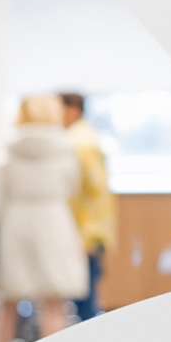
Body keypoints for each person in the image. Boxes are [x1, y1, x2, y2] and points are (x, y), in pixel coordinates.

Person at [0, 94, 88, 342]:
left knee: (8, 303)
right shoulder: (66, 148)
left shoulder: (9, 150)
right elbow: (73, 187)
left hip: (16, 222)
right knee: (54, 303)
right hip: (53, 221)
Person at [58, 91, 116, 320]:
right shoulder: (82, 138)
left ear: (74, 110)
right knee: (84, 297)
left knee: (85, 300)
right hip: (87, 230)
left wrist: (87, 236)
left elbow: (92, 190)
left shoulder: (79, 142)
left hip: (85, 232)